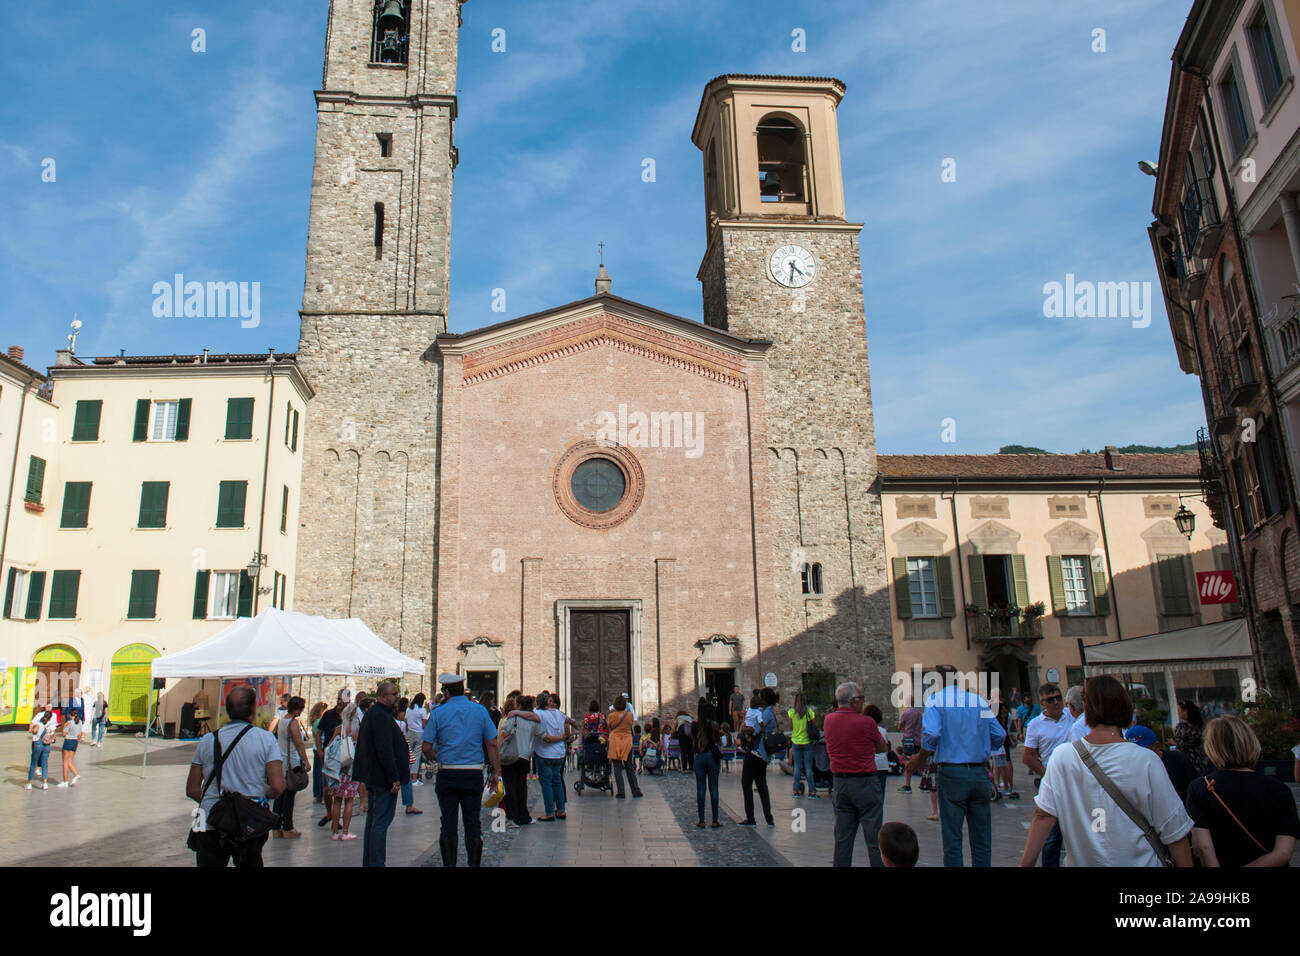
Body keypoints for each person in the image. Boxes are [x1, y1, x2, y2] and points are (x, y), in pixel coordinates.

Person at [1019, 676, 1193, 868]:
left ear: (1086, 708)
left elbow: (1043, 816)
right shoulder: (1146, 760)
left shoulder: (1062, 757)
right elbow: (1174, 831)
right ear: (1125, 708)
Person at [904, 678, 1006, 867]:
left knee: (952, 839)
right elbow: (999, 735)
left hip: (952, 772)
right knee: (982, 838)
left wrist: (921, 757)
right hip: (979, 771)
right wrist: (980, 746)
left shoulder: (936, 701)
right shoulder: (977, 701)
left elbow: (932, 733)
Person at [185, 685, 285, 867]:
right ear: (253, 710)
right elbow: (278, 786)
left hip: (210, 820)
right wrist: (255, 796)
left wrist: (220, 804)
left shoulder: (208, 740)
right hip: (249, 821)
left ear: (228, 710)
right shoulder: (266, 739)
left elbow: (192, 789)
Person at [1185, 715, 1300, 867]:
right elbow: (1283, 853)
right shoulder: (1279, 789)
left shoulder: (1200, 787)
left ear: (1211, 747)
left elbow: (1202, 847)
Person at [422, 674, 501, 867]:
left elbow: (426, 747)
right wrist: (495, 772)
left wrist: (437, 757)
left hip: (448, 772)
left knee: (448, 823)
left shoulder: (438, 712)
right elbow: (491, 743)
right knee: (473, 821)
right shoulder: (480, 711)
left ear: (446, 692)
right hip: (472, 772)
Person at [823, 682, 887, 866]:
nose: (862, 702)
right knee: (874, 839)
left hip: (841, 783)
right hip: (865, 781)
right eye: (860, 699)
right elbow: (882, 747)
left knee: (843, 839)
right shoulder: (866, 722)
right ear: (852, 701)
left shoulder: (829, 720)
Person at [353, 681, 409, 866]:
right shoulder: (380, 716)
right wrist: (393, 777)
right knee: (380, 822)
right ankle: (376, 862)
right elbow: (384, 749)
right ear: (382, 697)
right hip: (382, 778)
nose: (397, 697)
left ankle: (371, 861)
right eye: (394, 694)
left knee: (375, 821)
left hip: (375, 776)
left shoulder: (376, 714)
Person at [1021, 683, 1073, 866]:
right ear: (1042, 702)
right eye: (1051, 700)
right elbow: (1027, 756)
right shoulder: (1035, 725)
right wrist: (1046, 774)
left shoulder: (1072, 717)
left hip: (1076, 779)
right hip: (1053, 781)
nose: (1057, 702)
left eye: (1059, 697)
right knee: (1051, 835)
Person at [499, 694, 542, 827]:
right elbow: (543, 735)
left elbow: (503, 734)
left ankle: (513, 817)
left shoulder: (513, 718)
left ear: (520, 706)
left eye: (517, 704)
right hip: (524, 756)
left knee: (510, 787)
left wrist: (497, 752)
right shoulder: (534, 720)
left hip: (511, 756)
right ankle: (524, 816)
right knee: (522, 787)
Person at [739, 688, 779, 827]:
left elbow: (754, 730)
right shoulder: (768, 712)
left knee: (746, 782)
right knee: (761, 784)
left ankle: (751, 818)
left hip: (756, 751)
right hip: (762, 754)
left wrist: (745, 730)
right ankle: (769, 818)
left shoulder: (766, 713)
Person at [1122, 725, 1194, 802]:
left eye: (1143, 749)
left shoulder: (1178, 760)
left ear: (1157, 745)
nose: (1138, 754)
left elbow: (1193, 789)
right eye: (1133, 750)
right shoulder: (1131, 768)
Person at [270, 696, 309, 838]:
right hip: (292, 763)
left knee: (280, 796)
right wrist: (306, 760)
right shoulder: (292, 723)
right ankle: (288, 826)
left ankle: (276, 827)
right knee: (290, 795)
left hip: (282, 761)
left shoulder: (282, 721)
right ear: (298, 709)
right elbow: (299, 743)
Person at [329, 696, 362, 841]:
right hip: (351, 769)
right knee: (349, 800)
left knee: (337, 800)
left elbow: (329, 747)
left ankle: (335, 831)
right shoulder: (357, 731)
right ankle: (346, 831)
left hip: (338, 768)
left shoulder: (338, 729)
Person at [317, 689, 348, 829]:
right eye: (338, 699)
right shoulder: (329, 715)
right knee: (327, 789)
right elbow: (318, 733)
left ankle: (335, 818)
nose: (340, 702)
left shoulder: (350, 717)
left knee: (340, 790)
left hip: (345, 757)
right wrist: (319, 750)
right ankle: (329, 814)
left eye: (342, 699)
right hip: (329, 756)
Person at [691, 698, 722, 827]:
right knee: (714, 788)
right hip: (711, 756)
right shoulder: (713, 725)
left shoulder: (695, 725)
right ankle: (714, 820)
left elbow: (693, 740)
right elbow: (718, 741)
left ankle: (701, 820)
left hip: (699, 757)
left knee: (701, 789)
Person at [606, 695, 641, 799]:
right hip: (627, 741)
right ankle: (635, 790)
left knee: (617, 768)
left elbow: (610, 726)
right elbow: (631, 725)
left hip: (615, 741)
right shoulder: (629, 715)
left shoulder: (611, 716)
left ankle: (621, 792)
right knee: (629, 766)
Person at [393, 698, 422, 816]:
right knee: (406, 779)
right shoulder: (402, 724)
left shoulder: (390, 722)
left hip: (393, 752)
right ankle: (409, 805)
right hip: (401, 753)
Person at [788, 692, 819, 798]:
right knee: (808, 767)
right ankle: (812, 792)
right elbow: (815, 725)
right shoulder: (809, 712)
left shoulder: (792, 712)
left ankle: (796, 791)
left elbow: (791, 727)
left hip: (796, 741)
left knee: (797, 766)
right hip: (807, 742)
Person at [1173, 700, 1212, 776]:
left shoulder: (1182, 726)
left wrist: (1174, 743)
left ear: (1185, 711)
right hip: (1200, 757)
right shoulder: (1199, 724)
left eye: (1179, 710)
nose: (1178, 712)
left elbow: (1182, 745)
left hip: (1187, 759)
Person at [864, 704, 891, 806]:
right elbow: (886, 748)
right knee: (880, 795)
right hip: (882, 765)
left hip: (869, 764)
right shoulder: (883, 731)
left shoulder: (865, 729)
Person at [26, 705, 57, 790]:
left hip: (38, 743)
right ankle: (45, 783)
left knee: (33, 763)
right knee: (45, 763)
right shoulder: (51, 726)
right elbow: (54, 738)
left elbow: (34, 731)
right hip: (46, 745)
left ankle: (29, 783)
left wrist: (32, 730)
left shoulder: (39, 724)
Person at [897, 695, 923, 793]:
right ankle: (925, 783)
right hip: (917, 740)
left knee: (907, 761)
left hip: (908, 740)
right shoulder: (919, 714)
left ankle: (907, 785)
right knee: (919, 761)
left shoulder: (906, 713)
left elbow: (900, 726)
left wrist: (904, 728)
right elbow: (920, 727)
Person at [308, 702, 328, 804]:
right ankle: (321, 794)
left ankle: (318, 794)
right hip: (320, 748)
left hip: (316, 748)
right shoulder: (320, 722)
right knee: (321, 773)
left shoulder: (315, 721)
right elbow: (320, 736)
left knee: (317, 773)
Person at [406, 692, 428, 786]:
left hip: (410, 732)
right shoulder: (422, 710)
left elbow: (406, 721)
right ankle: (414, 779)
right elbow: (424, 725)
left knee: (408, 755)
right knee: (416, 756)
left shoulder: (409, 709)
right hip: (419, 733)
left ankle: (407, 777)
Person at [57, 712, 83, 787]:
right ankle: (76, 775)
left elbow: (64, 734)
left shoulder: (69, 723)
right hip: (75, 742)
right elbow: (80, 734)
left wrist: (64, 726)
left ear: (70, 715)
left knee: (65, 762)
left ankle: (65, 781)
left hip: (68, 741)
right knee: (69, 761)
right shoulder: (80, 722)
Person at [676, 708, 695, 772]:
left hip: (682, 732)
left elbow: (674, 728)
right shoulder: (689, 717)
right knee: (690, 750)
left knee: (683, 750)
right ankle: (691, 768)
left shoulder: (679, 717)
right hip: (690, 732)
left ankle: (684, 768)